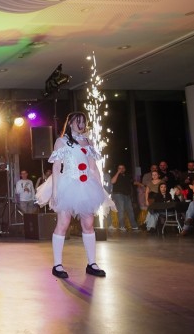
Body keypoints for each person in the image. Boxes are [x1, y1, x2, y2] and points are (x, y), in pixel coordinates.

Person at [47, 112, 109, 279]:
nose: (81, 124)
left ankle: (92, 263)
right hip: (68, 184)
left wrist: (100, 188)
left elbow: (93, 168)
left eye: (83, 122)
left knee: (88, 223)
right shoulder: (62, 141)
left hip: (86, 185)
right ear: (70, 123)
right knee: (63, 223)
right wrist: (54, 191)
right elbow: (56, 167)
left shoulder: (88, 141)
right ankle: (57, 265)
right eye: (78, 121)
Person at [109, 164, 139, 231]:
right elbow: (112, 181)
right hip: (118, 194)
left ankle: (134, 225)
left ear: (124, 169)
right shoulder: (116, 175)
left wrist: (141, 185)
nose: (121, 169)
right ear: (117, 169)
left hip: (127, 194)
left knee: (130, 210)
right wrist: (118, 172)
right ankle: (122, 226)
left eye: (122, 168)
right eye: (119, 168)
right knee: (121, 210)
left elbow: (133, 182)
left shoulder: (127, 176)